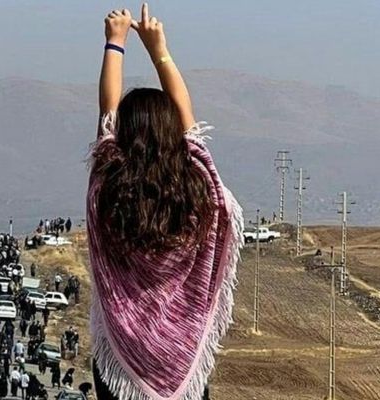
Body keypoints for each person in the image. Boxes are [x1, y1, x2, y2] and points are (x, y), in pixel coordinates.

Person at [88, 5, 238, 400]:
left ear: (124, 136)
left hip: (122, 361)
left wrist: (114, 42)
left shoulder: (109, 186)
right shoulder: (198, 188)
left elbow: (107, 114)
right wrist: (159, 51)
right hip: (181, 361)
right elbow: (190, 123)